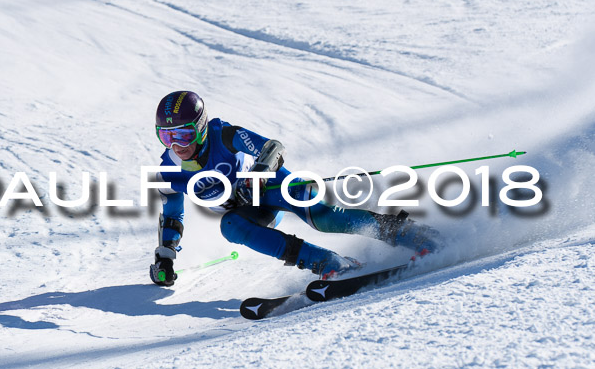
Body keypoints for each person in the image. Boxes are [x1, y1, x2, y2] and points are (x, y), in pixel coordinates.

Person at [150, 90, 442, 286]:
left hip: (275, 187)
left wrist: (258, 175)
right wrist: (165, 255)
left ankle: (413, 234)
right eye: (166, 136)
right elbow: (172, 215)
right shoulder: (168, 171)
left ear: (199, 127)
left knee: (326, 219)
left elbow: (272, 147)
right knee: (231, 227)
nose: (177, 145)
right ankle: (330, 263)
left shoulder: (222, 134)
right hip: (248, 213)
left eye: (185, 134)